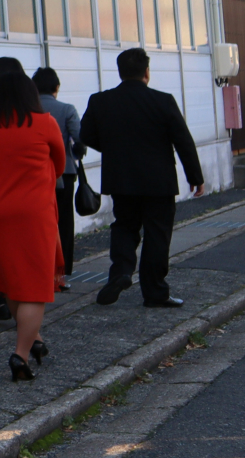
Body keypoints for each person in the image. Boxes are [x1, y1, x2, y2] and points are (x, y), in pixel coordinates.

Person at [80, 47, 205, 308]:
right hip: (158, 181)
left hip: (121, 179)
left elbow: (86, 135)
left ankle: (122, 273)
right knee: (157, 235)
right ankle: (155, 292)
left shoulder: (100, 101)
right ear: (147, 72)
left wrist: (114, 148)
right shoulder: (163, 101)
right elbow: (183, 140)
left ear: (120, 72)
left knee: (125, 226)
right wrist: (194, 176)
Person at [0, 57, 66, 381]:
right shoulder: (45, 122)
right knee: (36, 286)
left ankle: (34, 339)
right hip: (34, 211)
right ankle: (20, 354)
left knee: (11, 278)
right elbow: (60, 160)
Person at [32, 67, 86, 287]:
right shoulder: (66, 109)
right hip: (64, 175)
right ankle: (60, 275)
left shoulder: (28, 110)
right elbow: (79, 139)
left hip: (34, 177)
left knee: (38, 226)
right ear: (56, 88)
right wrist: (76, 154)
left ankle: (38, 271)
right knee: (62, 223)